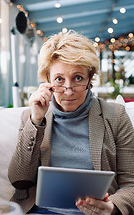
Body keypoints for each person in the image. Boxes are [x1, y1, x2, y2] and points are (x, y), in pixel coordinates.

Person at [8, 30, 134, 215]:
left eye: (78, 78)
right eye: (59, 79)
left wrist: (112, 207)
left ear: (90, 79)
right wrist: (35, 122)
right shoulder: (33, 117)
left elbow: (131, 183)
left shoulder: (115, 115)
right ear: (48, 81)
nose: (68, 91)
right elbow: (19, 180)